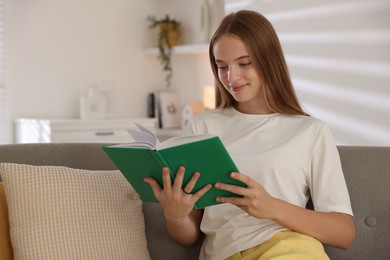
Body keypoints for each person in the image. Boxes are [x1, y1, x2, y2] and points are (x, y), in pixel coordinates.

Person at [144, 10, 355, 260]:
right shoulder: (203, 127)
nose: (231, 78)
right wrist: (175, 215)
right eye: (222, 67)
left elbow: (344, 233)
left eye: (244, 64)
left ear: (269, 60)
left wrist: (272, 207)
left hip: (287, 249)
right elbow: (188, 236)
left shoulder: (310, 132)